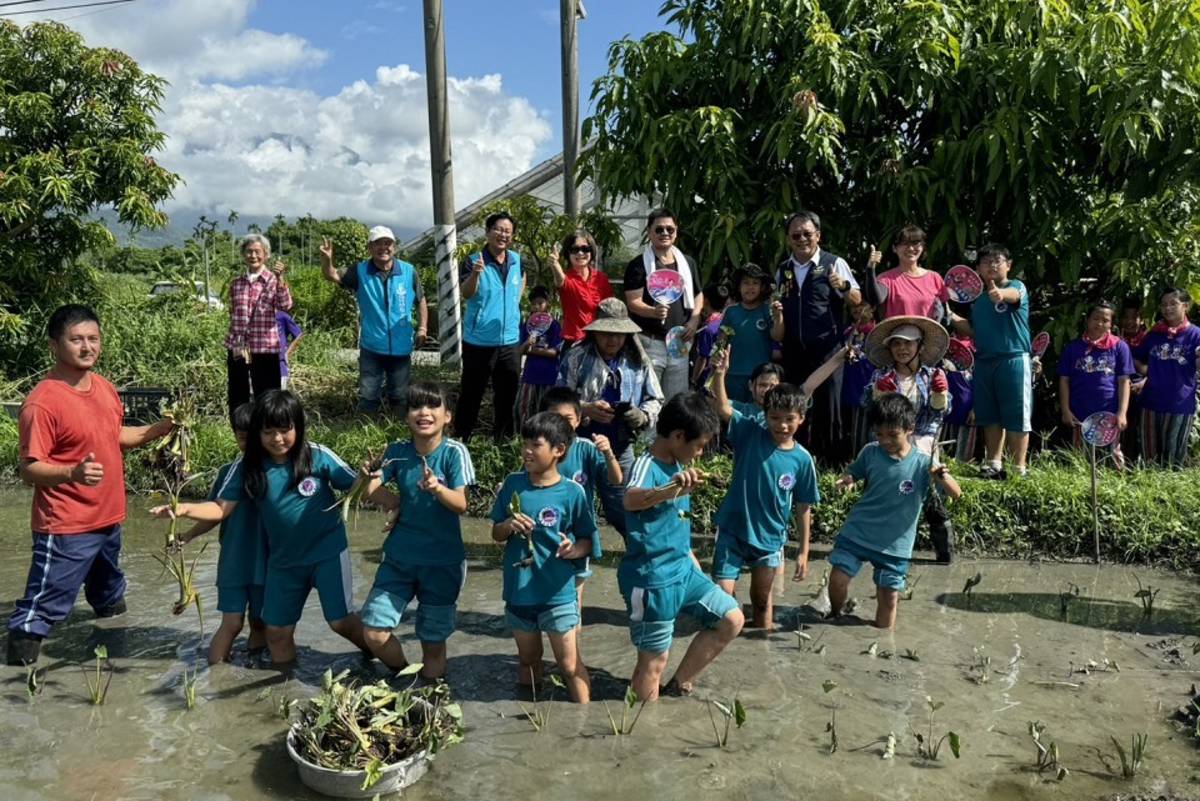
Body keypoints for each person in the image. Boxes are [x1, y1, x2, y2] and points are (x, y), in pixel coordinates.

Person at [6, 305, 175, 665]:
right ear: (54, 345)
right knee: (42, 607)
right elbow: (29, 469)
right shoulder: (42, 403)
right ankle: (17, 684)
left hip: (108, 518)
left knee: (110, 595)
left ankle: (115, 665)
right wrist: (72, 474)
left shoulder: (103, 387)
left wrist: (154, 431)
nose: (87, 347)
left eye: (93, 339)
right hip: (67, 525)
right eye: (76, 339)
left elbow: (114, 435)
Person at [151, 390, 368, 667]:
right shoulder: (241, 470)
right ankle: (247, 679)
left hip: (281, 559)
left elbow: (356, 485)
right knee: (249, 626)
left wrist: (386, 494)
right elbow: (217, 510)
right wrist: (183, 512)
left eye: (283, 430)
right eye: (266, 433)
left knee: (278, 623)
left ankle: (260, 666)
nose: (276, 439)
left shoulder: (311, 458)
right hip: (252, 562)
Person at [620, 392, 743, 700]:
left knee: (731, 619)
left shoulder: (679, 465)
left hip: (684, 571)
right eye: (700, 445)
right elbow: (630, 498)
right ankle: (641, 731)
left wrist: (690, 557)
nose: (701, 453)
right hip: (652, 580)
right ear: (677, 436)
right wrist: (669, 488)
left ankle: (678, 685)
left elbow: (674, 522)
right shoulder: (646, 465)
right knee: (653, 663)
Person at [358, 382, 474, 680]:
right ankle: (403, 677)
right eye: (415, 406)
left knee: (433, 643)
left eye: (433, 405)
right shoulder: (397, 451)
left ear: (447, 416)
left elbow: (461, 504)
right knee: (374, 631)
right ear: (406, 415)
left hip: (442, 563)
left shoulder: (454, 453)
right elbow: (370, 492)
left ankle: (429, 695)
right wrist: (373, 481)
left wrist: (437, 488)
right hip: (399, 559)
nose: (424, 412)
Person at [827, 394, 961, 629]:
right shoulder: (870, 452)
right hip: (859, 532)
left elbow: (955, 493)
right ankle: (835, 616)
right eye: (879, 435)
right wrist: (848, 480)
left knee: (888, 604)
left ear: (909, 429)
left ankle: (880, 638)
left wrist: (942, 474)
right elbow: (854, 472)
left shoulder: (923, 463)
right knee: (837, 580)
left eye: (892, 435)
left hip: (895, 546)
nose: (885, 441)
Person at [491, 412, 595, 703]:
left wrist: (575, 549)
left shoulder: (572, 492)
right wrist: (508, 525)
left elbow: (588, 539)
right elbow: (496, 533)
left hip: (558, 594)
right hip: (519, 592)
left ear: (558, 450)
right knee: (528, 661)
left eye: (535, 445)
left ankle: (583, 720)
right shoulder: (512, 484)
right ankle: (528, 719)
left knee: (570, 666)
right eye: (524, 443)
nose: (526, 451)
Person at [708, 360, 819, 630]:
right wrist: (720, 374)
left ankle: (761, 644)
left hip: (769, 540)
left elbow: (804, 507)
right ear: (765, 414)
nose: (782, 425)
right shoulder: (749, 433)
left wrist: (803, 552)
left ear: (801, 419)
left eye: (789, 419)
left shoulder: (803, 460)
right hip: (733, 529)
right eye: (775, 418)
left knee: (761, 602)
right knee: (723, 598)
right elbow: (722, 408)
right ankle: (729, 644)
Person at [557, 298, 663, 537]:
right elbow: (557, 398)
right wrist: (584, 408)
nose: (612, 339)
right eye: (606, 333)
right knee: (575, 504)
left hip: (619, 444)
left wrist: (642, 414)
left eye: (618, 334)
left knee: (622, 507)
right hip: (577, 445)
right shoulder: (577, 357)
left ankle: (637, 552)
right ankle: (572, 554)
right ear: (595, 332)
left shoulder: (638, 360)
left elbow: (656, 398)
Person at [176, 402, 268, 664]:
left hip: (268, 560)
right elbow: (214, 512)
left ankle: (253, 665)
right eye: (242, 438)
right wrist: (188, 535)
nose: (249, 445)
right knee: (232, 623)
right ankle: (216, 675)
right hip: (235, 561)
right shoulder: (229, 473)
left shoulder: (277, 471)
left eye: (254, 437)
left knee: (261, 622)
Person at [862, 316, 954, 562]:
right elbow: (868, 408)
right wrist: (879, 392)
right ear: (890, 348)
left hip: (923, 441)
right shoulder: (881, 374)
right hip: (889, 442)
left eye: (908, 344)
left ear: (920, 347)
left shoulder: (932, 375)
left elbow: (944, 412)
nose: (902, 349)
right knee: (883, 492)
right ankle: (876, 544)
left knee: (929, 493)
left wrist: (940, 394)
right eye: (896, 344)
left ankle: (943, 550)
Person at [774, 210, 862, 461]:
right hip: (794, 351)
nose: (802, 239)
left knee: (829, 409)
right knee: (795, 409)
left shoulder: (834, 263)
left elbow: (857, 300)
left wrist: (842, 286)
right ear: (789, 239)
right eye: (795, 235)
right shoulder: (783, 269)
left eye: (807, 234)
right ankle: (796, 461)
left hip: (828, 351)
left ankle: (831, 466)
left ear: (818, 236)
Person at [320, 226, 427, 413]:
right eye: (378, 244)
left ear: (394, 247)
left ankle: (398, 431)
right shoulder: (360, 271)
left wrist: (423, 328)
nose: (383, 248)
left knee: (400, 395)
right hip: (372, 346)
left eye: (388, 243)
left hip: (401, 347)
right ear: (370, 247)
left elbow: (421, 300)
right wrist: (327, 261)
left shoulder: (409, 271)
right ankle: (364, 430)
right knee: (368, 395)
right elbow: (332, 275)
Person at [948, 244, 1032, 478]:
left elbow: (1012, 296)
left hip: (1013, 360)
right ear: (978, 269)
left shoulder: (1017, 287)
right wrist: (950, 315)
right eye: (986, 262)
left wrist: (1001, 294)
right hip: (984, 362)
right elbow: (974, 331)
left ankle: (1018, 469)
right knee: (990, 415)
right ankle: (994, 464)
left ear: (1009, 265)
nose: (992, 265)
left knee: (1017, 416)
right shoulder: (979, 300)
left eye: (998, 260)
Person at [539, 387, 622, 613]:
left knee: (573, 606)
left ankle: (573, 648)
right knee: (541, 601)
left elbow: (616, 479)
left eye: (567, 419)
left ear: (578, 420)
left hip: (578, 537)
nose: (561, 425)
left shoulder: (586, 448)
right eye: (554, 418)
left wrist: (608, 453)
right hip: (543, 534)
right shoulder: (537, 450)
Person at [456, 212, 525, 442]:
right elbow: (466, 293)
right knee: (471, 395)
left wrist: (512, 312)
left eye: (507, 231)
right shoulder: (473, 260)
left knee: (507, 396)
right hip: (478, 342)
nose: (503, 235)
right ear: (487, 233)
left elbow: (519, 285)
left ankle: (503, 444)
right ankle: (461, 441)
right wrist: (475, 274)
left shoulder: (516, 260)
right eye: (498, 229)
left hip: (510, 342)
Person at [623, 209, 703, 401]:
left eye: (670, 229)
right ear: (649, 232)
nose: (665, 233)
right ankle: (649, 432)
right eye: (659, 229)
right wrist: (652, 311)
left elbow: (698, 295)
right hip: (650, 342)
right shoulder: (638, 265)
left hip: (679, 341)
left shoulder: (688, 263)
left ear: (676, 232)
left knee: (677, 401)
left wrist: (694, 320)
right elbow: (632, 302)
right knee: (649, 400)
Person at [1057, 302, 1134, 469]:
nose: (1099, 323)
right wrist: (1065, 410)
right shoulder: (1073, 348)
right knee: (1079, 458)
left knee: (1112, 456)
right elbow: (1064, 380)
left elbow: (1124, 382)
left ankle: (1115, 491)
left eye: (1105, 320)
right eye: (1095, 319)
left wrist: (1122, 413)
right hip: (1079, 413)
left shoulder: (1120, 347)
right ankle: (1081, 491)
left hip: (1109, 414)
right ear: (1087, 320)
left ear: (1111, 324)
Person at [225, 233, 292, 418]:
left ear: (266, 255)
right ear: (243, 255)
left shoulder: (273, 280)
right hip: (239, 348)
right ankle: (241, 432)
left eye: (257, 252)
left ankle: (268, 430)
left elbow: (286, 305)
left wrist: (280, 280)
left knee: (268, 396)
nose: (253, 256)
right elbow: (233, 313)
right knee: (238, 394)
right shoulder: (236, 283)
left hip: (265, 348)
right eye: (248, 252)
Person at [1133, 288, 1200, 468]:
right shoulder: (1154, 334)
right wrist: (1146, 371)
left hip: (1179, 404)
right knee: (1149, 459)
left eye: (1173, 304)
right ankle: (1147, 495)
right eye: (1163, 305)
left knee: (1173, 461)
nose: (1167, 308)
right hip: (1150, 403)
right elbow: (1136, 357)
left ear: (1185, 306)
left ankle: (1171, 496)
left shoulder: (1195, 334)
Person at [722, 263, 784, 403]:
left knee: (760, 416)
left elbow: (778, 336)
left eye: (755, 283)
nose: (750, 287)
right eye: (746, 283)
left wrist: (778, 316)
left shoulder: (768, 310)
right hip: (733, 374)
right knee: (733, 416)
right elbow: (722, 341)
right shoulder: (731, 312)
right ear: (739, 287)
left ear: (762, 287)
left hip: (761, 378)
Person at [862, 225, 948, 320]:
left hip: (928, 334)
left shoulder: (935, 278)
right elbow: (876, 299)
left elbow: (946, 313)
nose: (911, 248)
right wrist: (870, 269)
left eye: (915, 243)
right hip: (897, 334)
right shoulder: (886, 278)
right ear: (895, 248)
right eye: (904, 243)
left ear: (923, 247)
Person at [548, 229, 613, 354]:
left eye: (585, 249)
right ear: (568, 253)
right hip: (574, 344)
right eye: (574, 249)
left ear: (592, 251)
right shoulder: (568, 278)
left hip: (598, 343)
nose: (580, 253)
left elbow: (609, 309)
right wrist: (555, 265)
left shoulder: (601, 278)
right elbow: (560, 280)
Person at [514, 286, 563, 429]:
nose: (536, 306)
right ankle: (522, 437)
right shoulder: (527, 325)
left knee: (545, 411)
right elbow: (519, 351)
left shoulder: (554, 325)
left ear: (547, 304)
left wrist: (532, 350)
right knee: (522, 408)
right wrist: (527, 343)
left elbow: (555, 352)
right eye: (533, 303)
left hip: (549, 376)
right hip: (529, 375)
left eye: (540, 303)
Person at [840, 301, 877, 456]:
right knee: (851, 431)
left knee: (867, 432)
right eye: (853, 306)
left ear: (872, 307)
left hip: (869, 388)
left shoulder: (877, 332)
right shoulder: (848, 331)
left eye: (861, 306)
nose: (856, 310)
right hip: (849, 388)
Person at [691, 283, 731, 390]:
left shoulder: (708, 329)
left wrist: (694, 381)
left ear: (705, 301)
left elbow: (702, 359)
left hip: (707, 380)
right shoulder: (727, 322)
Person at [276, 309, 304, 390]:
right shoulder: (257, 316)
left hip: (280, 365)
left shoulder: (281, 316)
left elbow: (299, 335)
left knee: (278, 398)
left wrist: (287, 353)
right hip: (261, 364)